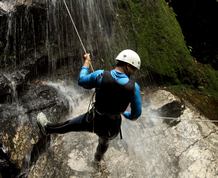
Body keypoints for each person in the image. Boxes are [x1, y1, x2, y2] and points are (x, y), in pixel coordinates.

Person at [37, 49, 142, 162]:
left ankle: (47, 129)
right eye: (134, 69)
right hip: (112, 126)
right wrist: (125, 114)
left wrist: (86, 62)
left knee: (69, 125)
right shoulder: (134, 88)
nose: (134, 72)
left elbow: (81, 80)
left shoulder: (100, 75)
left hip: (94, 120)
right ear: (127, 66)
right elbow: (136, 114)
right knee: (104, 141)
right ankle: (97, 160)